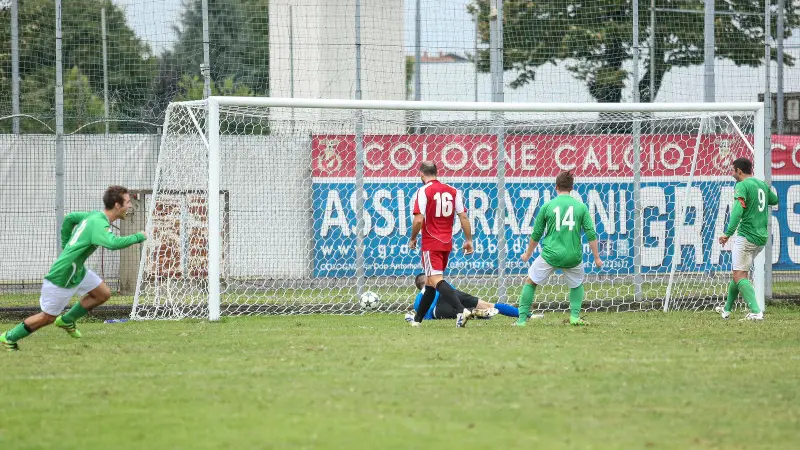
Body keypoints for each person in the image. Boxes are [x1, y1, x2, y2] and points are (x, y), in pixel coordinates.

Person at [1, 186, 147, 351]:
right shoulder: (98, 224)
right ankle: (9, 337)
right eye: (128, 202)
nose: (130, 206)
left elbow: (70, 218)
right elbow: (112, 243)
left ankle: (67, 320)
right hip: (63, 274)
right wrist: (139, 237)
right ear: (117, 205)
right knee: (47, 317)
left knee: (103, 293)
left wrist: (66, 245)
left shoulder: (95, 215)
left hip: (77, 269)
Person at [517, 170, 603, 327]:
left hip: (550, 254)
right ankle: (575, 317)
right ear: (572, 188)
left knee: (531, 281)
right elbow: (591, 233)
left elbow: (536, 234)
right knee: (576, 284)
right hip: (573, 256)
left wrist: (527, 254)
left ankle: (522, 320)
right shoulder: (581, 207)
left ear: (556, 187)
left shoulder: (548, 206)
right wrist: (597, 257)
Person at [409, 161, 474, 328]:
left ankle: (461, 310)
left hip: (431, 243)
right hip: (446, 243)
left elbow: (418, 220)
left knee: (436, 279)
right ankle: (417, 320)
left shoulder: (423, 191)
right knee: (431, 284)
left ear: (421, 174)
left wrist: (413, 238)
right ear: (436, 172)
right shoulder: (453, 191)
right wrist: (468, 240)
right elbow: (463, 217)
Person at [715, 157, 778, 321]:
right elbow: (774, 200)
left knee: (739, 276)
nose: (732, 173)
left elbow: (737, 210)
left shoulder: (741, 185)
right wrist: (764, 189)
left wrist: (727, 233)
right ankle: (727, 310)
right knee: (738, 273)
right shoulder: (761, 184)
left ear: (739, 171)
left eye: (733, 170)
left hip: (747, 236)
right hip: (760, 238)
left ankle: (756, 312)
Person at [406, 273, 535, 321]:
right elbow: (451, 292)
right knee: (489, 305)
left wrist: (413, 317)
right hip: (454, 295)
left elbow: (427, 317)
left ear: (419, 287)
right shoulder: (442, 284)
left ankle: (476, 314)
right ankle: (526, 315)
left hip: (438, 310)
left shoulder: (418, 300)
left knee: (466, 314)